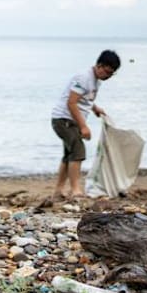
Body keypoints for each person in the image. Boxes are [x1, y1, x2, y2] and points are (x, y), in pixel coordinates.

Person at [51, 49, 120, 199]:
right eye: (107, 72)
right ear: (99, 65)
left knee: (68, 155)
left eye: (111, 74)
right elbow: (71, 102)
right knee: (78, 153)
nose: (108, 76)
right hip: (64, 119)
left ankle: (59, 190)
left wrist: (95, 108)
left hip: (70, 119)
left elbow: (85, 99)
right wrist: (83, 126)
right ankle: (75, 189)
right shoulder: (84, 78)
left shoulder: (96, 81)